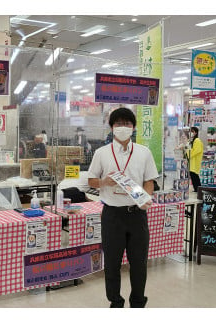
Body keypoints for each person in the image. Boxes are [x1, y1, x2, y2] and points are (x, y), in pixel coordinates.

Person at [88, 107, 158, 308]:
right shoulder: (102, 153)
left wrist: (146, 197)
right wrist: (104, 182)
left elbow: (149, 180)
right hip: (112, 215)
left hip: (137, 215)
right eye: (118, 124)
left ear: (134, 127)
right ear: (111, 127)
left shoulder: (144, 152)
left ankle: (137, 302)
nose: (123, 128)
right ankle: (115, 302)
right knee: (112, 263)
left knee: (139, 263)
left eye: (127, 124)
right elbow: (91, 180)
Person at [186, 126, 203, 192]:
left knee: (195, 175)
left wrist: (189, 153)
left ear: (195, 133)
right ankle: (196, 189)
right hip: (192, 161)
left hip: (195, 160)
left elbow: (197, 150)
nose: (190, 133)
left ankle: (198, 189)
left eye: (192, 131)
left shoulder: (197, 140)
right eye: (190, 131)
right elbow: (188, 149)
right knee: (193, 175)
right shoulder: (191, 140)